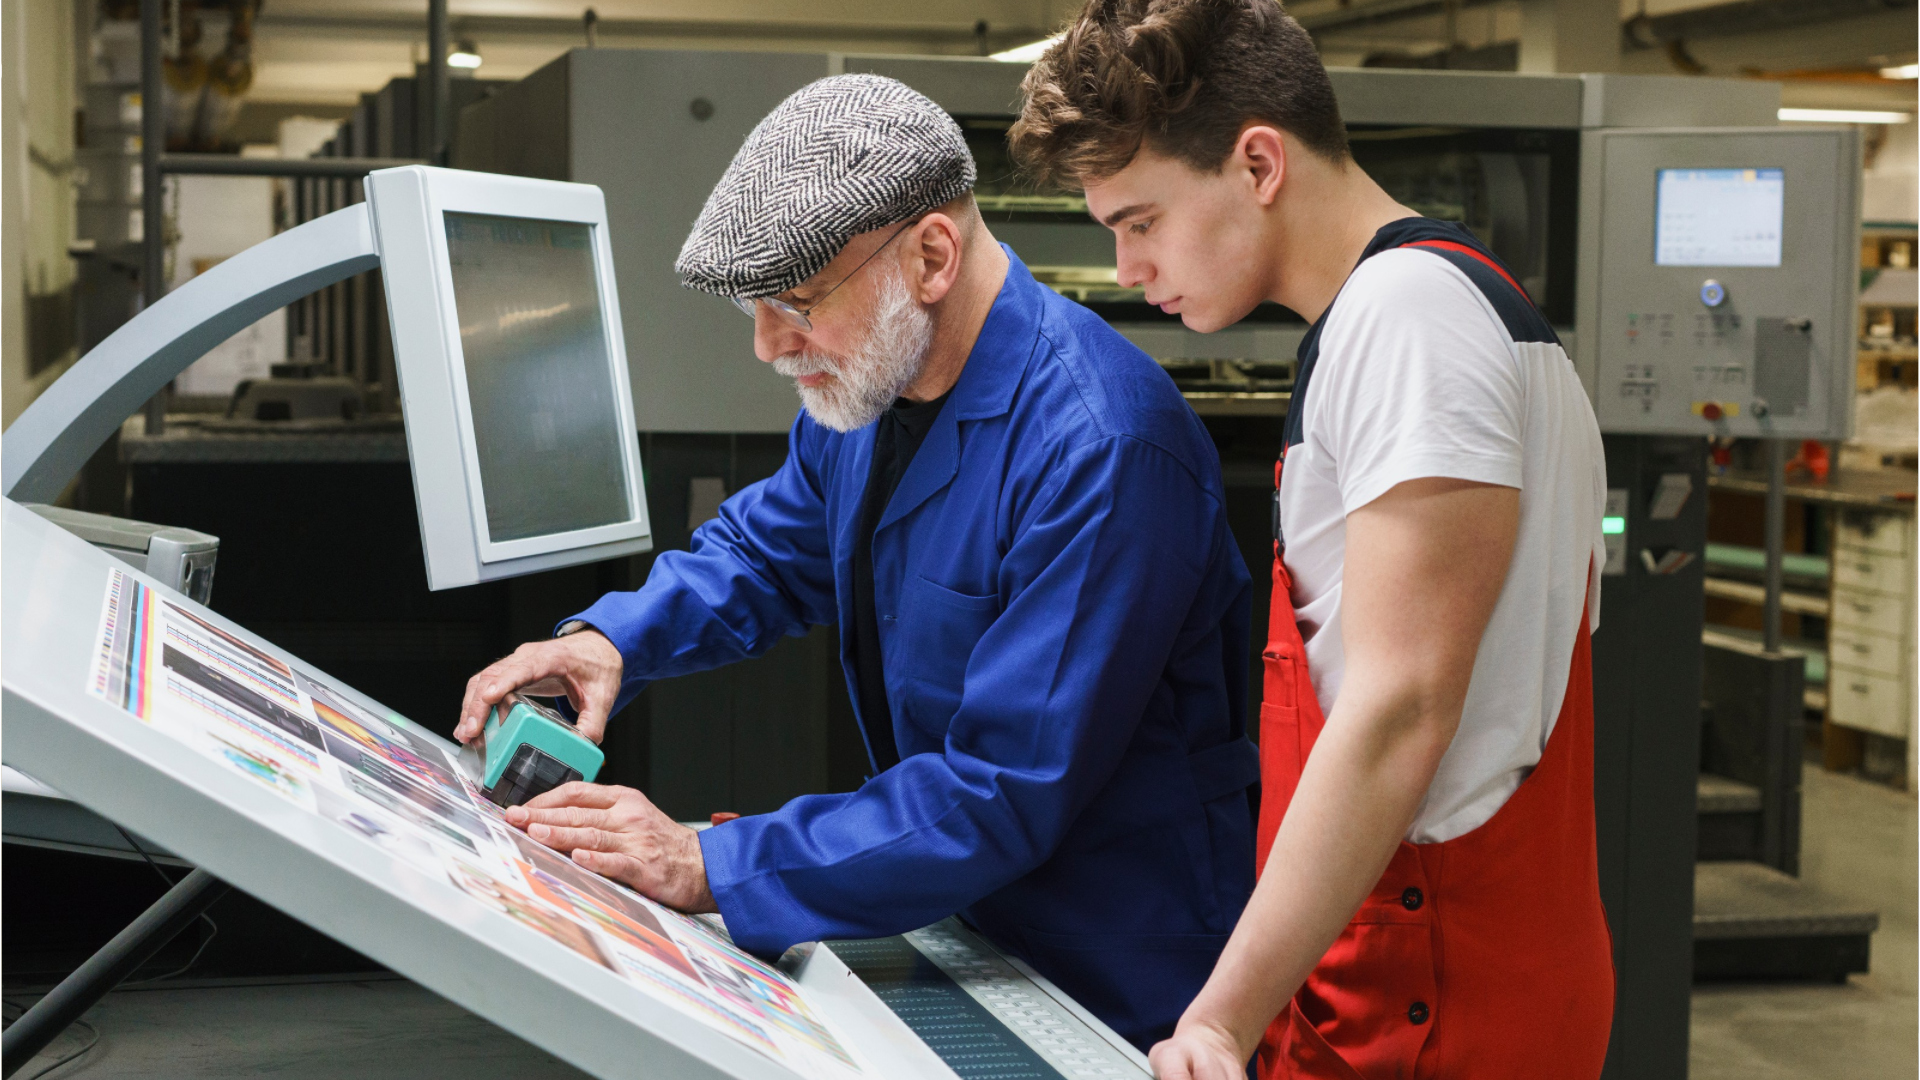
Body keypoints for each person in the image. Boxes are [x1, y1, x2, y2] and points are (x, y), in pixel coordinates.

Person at [452, 74, 1260, 1051]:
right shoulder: (872, 391)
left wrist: (707, 862)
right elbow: (765, 553)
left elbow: (999, 787)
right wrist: (612, 642)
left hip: (1121, 978)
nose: (766, 347)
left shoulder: (1102, 448)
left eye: (793, 302)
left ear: (929, 256)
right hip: (969, 925)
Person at [1009, 2, 1613, 1078]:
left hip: (1431, 991)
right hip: (1433, 961)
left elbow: (1397, 709)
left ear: (1256, 163)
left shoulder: (1407, 321)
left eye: (1141, 220)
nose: (1129, 268)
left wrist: (1218, 1018)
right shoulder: (1447, 304)